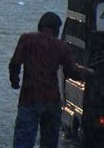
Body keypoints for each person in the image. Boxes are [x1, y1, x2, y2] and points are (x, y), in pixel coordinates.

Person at [9, 12, 95, 148]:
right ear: (56, 29)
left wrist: (15, 81)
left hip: (29, 98)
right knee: (49, 143)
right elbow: (71, 71)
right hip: (51, 101)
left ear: (40, 25)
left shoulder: (26, 39)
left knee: (23, 140)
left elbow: (15, 64)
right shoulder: (61, 46)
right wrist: (89, 73)